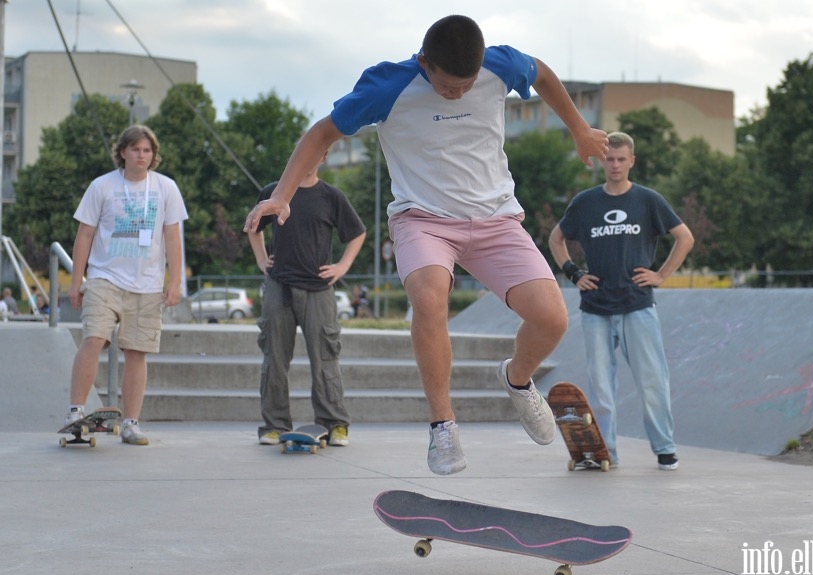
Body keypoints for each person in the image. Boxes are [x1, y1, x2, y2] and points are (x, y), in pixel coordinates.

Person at [244, 15, 610, 475]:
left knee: (552, 318)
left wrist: (578, 127)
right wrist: (281, 195)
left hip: (495, 219)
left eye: (466, 86)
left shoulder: (500, 64)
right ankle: (443, 425)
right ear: (424, 63)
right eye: (447, 87)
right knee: (430, 296)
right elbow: (321, 133)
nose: (458, 93)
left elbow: (540, 71)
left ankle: (518, 381)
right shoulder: (387, 86)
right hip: (423, 220)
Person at [548, 131, 694, 471]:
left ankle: (665, 448)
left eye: (620, 159)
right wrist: (573, 273)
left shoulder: (647, 200)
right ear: (601, 161)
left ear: (631, 161)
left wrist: (661, 275)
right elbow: (556, 238)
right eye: (609, 159)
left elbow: (684, 237)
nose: (614, 165)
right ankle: (605, 452)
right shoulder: (585, 203)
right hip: (596, 307)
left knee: (652, 379)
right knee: (601, 386)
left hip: (637, 305)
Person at [65, 125, 188, 445]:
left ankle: (131, 423)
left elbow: (173, 237)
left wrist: (174, 281)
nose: (141, 155)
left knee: (137, 352)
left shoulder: (166, 188)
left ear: (154, 155)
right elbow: (85, 235)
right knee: (94, 338)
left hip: (147, 284)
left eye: (147, 150)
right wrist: (76, 280)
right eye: (135, 149)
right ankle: (76, 411)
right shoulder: (102, 186)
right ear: (123, 152)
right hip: (105, 277)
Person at [249, 152, 366, 447]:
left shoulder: (331, 196)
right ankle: (274, 425)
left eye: (314, 152)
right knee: (274, 359)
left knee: (325, 359)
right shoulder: (274, 193)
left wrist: (342, 266)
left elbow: (357, 233)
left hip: (318, 288)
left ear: (323, 157)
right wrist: (262, 260)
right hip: (280, 286)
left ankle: (335, 423)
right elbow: (253, 227)